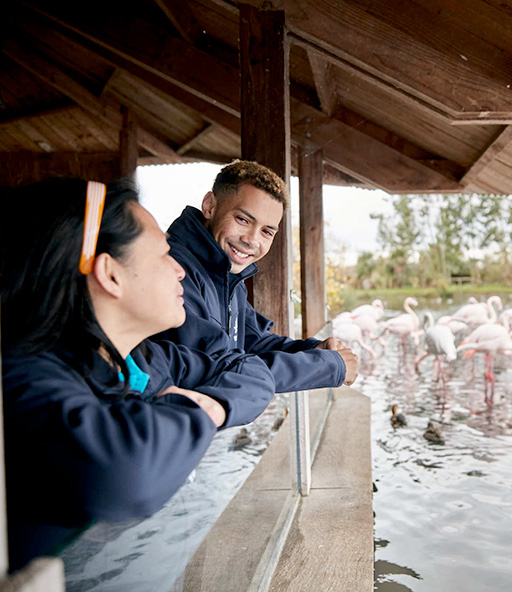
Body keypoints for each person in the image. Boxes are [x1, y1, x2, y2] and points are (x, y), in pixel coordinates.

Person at [0, 178, 278, 572]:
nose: (181, 270)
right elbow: (127, 474)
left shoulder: (143, 359)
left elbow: (249, 368)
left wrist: (210, 402)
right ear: (111, 274)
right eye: (164, 254)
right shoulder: (22, 379)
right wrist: (203, 411)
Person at [156, 160, 359, 393]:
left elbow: (254, 343)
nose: (252, 240)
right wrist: (328, 366)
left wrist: (317, 351)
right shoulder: (173, 268)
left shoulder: (228, 274)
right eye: (242, 220)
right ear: (210, 205)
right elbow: (216, 370)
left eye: (266, 232)